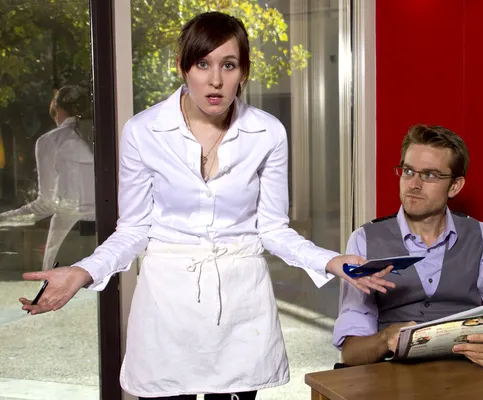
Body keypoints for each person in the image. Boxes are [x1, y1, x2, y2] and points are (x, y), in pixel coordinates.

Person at [18, 12, 394, 400]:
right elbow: (132, 230)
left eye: (228, 65)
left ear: (243, 71)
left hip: (241, 306)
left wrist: (331, 261)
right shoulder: (143, 131)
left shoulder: (268, 133)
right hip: (167, 305)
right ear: (183, 68)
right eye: (202, 64)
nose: (215, 80)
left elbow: (272, 229)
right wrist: (82, 271)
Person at [333, 124, 483, 369]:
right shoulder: (365, 239)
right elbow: (351, 353)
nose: (413, 184)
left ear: (455, 186)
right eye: (408, 171)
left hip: (467, 379)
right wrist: (384, 338)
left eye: (430, 175)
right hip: (391, 382)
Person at [0, 85, 95, 270]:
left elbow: (47, 204)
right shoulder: (108, 138)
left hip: (68, 237)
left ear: (57, 110)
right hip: (110, 236)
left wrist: (5, 218)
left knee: (55, 296)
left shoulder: (51, 141)